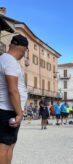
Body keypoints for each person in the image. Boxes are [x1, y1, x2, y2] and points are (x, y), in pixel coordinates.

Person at [0, 35, 28, 164]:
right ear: (23, 49)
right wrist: (19, 113)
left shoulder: (5, 60)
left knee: (10, 145)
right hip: (8, 110)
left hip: (9, 109)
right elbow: (13, 90)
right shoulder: (10, 61)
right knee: (4, 147)